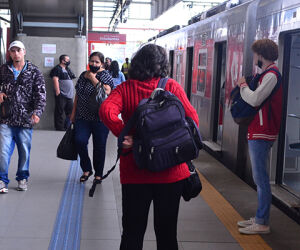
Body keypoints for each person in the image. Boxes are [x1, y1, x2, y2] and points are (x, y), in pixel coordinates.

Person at [100, 44, 199, 250]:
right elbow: (193, 120)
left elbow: (106, 111)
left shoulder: (125, 89)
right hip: (171, 171)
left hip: (135, 169)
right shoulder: (171, 86)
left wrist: (125, 134)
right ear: (162, 64)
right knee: (167, 234)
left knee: (132, 233)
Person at [236, 39, 282, 234]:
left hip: (263, 132)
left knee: (261, 179)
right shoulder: (266, 74)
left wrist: (243, 87)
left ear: (261, 55)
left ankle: (262, 223)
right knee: (259, 177)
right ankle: (260, 217)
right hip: (258, 130)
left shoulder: (271, 75)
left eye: (255, 54)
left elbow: (255, 100)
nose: (254, 58)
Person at [0, 40, 46, 193]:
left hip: (25, 119)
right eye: (12, 51)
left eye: (18, 50)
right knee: (3, 150)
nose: (16, 54)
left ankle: (22, 178)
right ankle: (2, 180)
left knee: (24, 150)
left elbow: (41, 94)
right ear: (10, 53)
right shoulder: (3, 69)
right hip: (5, 117)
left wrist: (37, 112)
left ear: (24, 52)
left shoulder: (34, 71)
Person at [70, 51, 114, 184]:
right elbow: (78, 94)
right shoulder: (83, 75)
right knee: (80, 141)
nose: (93, 64)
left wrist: (92, 78)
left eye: (97, 62)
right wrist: (73, 113)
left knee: (99, 146)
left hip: (100, 118)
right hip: (82, 116)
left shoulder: (106, 76)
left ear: (102, 64)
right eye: (92, 61)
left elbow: (106, 91)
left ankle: (98, 174)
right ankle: (87, 169)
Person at [50, 54, 76, 131]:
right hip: (61, 94)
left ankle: (67, 126)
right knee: (59, 111)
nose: (69, 61)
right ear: (62, 60)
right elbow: (55, 79)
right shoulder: (57, 69)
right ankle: (59, 127)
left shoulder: (67, 69)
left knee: (70, 111)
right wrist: (58, 91)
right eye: (67, 59)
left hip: (69, 95)